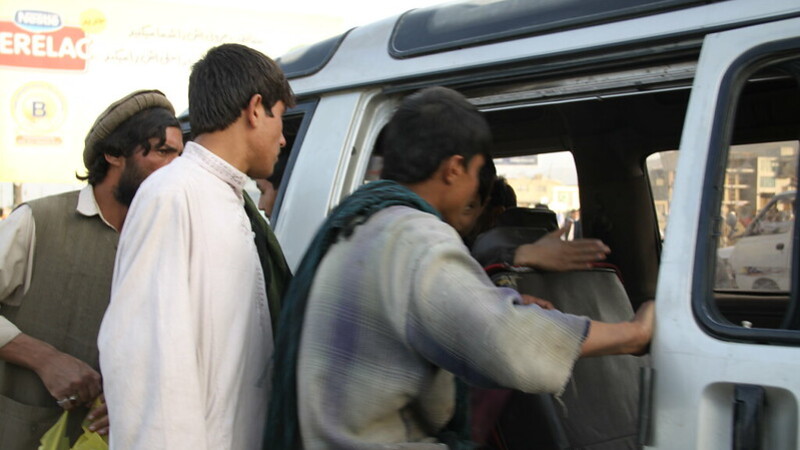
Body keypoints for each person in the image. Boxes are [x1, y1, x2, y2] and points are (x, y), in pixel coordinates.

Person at [266, 86, 654, 449]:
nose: (475, 189)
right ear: (454, 169)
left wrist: (497, 300)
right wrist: (632, 334)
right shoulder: (416, 237)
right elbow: (506, 342)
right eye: (477, 170)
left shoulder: (360, 222)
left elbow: (429, 315)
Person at [98, 43, 294, 450]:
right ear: (256, 109)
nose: (282, 139)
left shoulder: (232, 201)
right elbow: (148, 369)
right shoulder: (172, 195)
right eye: (281, 118)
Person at [0, 89, 182, 449]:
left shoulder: (173, 238)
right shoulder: (38, 221)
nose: (175, 169)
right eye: (163, 152)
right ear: (114, 154)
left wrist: (139, 402)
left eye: (180, 155)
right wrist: (44, 359)